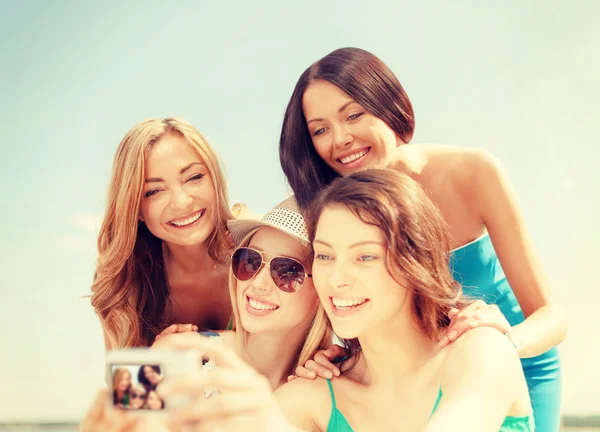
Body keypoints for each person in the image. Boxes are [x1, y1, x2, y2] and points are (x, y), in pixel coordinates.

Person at [279, 47, 565, 430]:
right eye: (320, 129)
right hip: (397, 383)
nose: (341, 138)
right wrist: (324, 355)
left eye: (353, 115)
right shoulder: (328, 209)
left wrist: (504, 346)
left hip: (506, 356)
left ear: (388, 105)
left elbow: (551, 316)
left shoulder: (471, 172)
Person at [161, 169, 535, 431]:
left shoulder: (479, 348)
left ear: (413, 262)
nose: (338, 279)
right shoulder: (186, 354)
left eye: (288, 271)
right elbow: (112, 414)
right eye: (249, 261)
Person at [82, 196, 330, 431]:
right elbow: (115, 419)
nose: (258, 283)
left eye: (287, 271)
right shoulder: (176, 349)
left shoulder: (330, 380)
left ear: (323, 289)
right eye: (251, 261)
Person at [91, 117, 234, 349]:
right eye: (154, 191)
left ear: (215, 179)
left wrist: (193, 344)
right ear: (135, 208)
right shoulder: (124, 281)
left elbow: (285, 352)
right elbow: (124, 380)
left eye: (194, 177)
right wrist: (158, 359)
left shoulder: (260, 250)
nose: (182, 202)